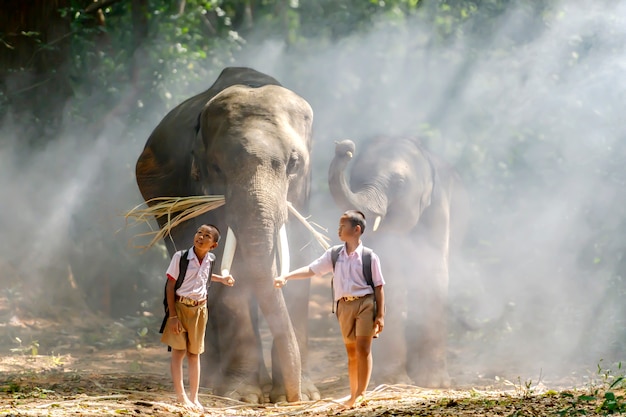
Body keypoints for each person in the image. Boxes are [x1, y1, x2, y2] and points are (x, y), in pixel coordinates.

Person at [274, 210, 385, 408]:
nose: (339, 229)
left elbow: (378, 286)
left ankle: (361, 394)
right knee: (351, 351)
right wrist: (286, 276)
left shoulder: (369, 257)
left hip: (366, 303)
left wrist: (380, 316)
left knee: (363, 349)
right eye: (339, 225)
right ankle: (353, 394)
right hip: (343, 306)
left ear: (356, 229)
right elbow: (312, 269)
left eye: (343, 226)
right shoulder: (335, 254)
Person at [160, 224, 235, 412]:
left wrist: (222, 279)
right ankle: (181, 396)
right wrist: (173, 317)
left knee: (194, 354)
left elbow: (206, 277)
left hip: (200, 309)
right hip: (179, 308)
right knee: (179, 353)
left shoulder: (211, 259)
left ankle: (194, 397)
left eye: (207, 235)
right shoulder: (181, 257)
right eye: (199, 233)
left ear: (214, 245)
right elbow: (170, 286)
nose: (201, 237)